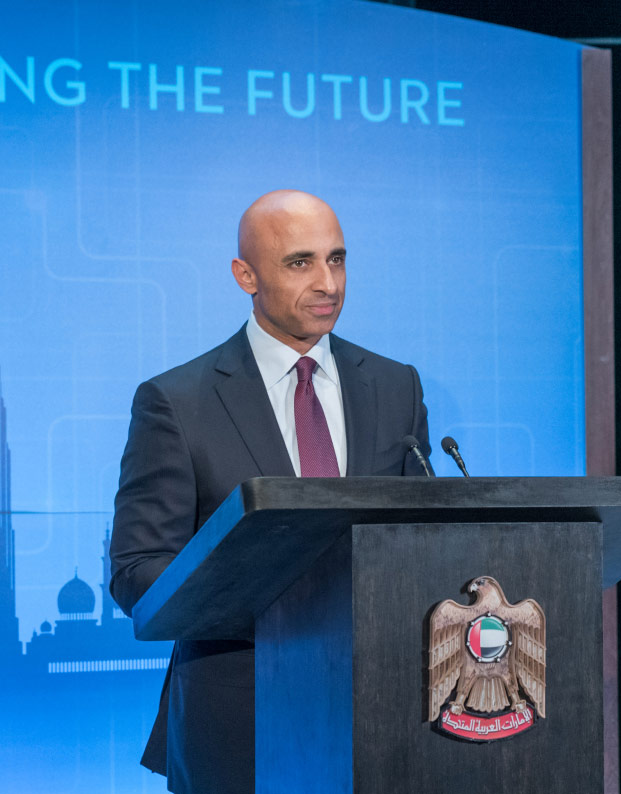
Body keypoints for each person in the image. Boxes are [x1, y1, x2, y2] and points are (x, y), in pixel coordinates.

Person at [109, 190, 432, 794]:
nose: (328, 283)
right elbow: (137, 571)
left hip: (387, 717)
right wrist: (276, 606)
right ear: (245, 275)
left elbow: (422, 542)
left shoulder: (397, 386)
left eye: (337, 260)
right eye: (300, 263)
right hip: (237, 725)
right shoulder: (177, 402)